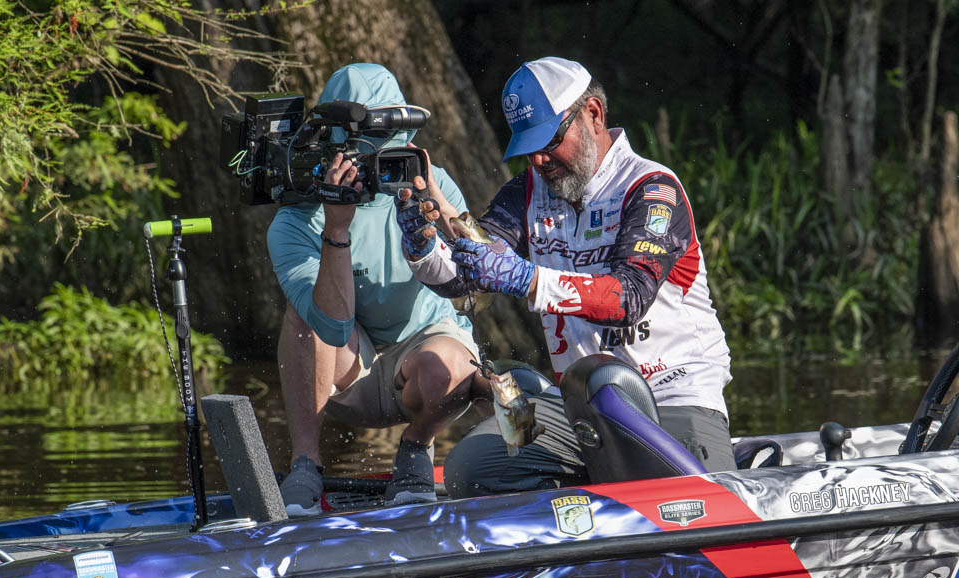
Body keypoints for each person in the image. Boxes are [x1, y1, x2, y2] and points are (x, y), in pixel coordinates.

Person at [396, 56, 735, 498]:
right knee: (470, 469)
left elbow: (628, 298)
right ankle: (583, 505)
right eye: (528, 147)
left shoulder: (653, 190)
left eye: (550, 141)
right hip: (582, 407)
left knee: (689, 506)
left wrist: (528, 279)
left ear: (593, 114)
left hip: (672, 398)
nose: (539, 159)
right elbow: (464, 280)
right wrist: (422, 246)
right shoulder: (526, 193)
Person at [267, 63, 484, 514]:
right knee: (302, 318)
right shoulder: (296, 219)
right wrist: (337, 228)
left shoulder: (429, 181)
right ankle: (305, 464)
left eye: (392, 146)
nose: (380, 162)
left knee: (452, 363)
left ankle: (415, 449)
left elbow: (481, 276)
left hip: (425, 356)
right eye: (367, 149)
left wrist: (437, 199)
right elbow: (331, 326)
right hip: (348, 370)